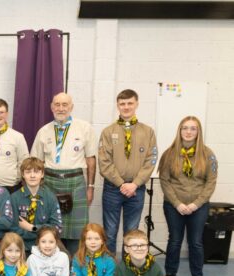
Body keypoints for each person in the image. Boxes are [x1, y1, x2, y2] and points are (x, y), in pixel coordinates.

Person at [30, 93, 97, 255]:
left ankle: (75, 269)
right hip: (50, 183)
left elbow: (91, 160)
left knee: (76, 233)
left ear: (71, 107)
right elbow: (36, 162)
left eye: (65, 105)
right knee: (50, 229)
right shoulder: (43, 131)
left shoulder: (85, 128)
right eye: (57, 105)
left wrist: (90, 187)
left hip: (75, 182)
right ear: (52, 107)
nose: (61, 108)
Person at [158, 116, 217, 276]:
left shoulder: (208, 154)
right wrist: (177, 204)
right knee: (175, 240)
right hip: (173, 205)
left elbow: (210, 182)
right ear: (180, 131)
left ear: (198, 132)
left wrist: (195, 204)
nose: (189, 132)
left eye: (193, 128)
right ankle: (170, 275)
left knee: (196, 242)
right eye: (185, 128)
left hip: (198, 206)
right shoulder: (169, 154)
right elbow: (165, 180)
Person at [98, 89, 158, 253]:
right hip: (112, 188)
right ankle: (109, 270)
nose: (126, 107)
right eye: (122, 104)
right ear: (117, 105)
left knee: (132, 232)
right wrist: (121, 184)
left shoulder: (148, 132)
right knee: (109, 233)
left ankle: (128, 268)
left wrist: (135, 184)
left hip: (136, 190)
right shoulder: (108, 132)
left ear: (136, 104)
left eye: (130, 103)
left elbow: (151, 160)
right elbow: (104, 162)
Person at [11, 157, 62, 252]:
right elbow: (12, 227)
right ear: (23, 174)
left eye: (36, 172)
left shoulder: (50, 197)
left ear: (42, 174)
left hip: (45, 245)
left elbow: (57, 228)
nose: (32, 176)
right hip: (21, 245)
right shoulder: (14, 198)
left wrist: (32, 228)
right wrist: (39, 231)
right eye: (28, 172)